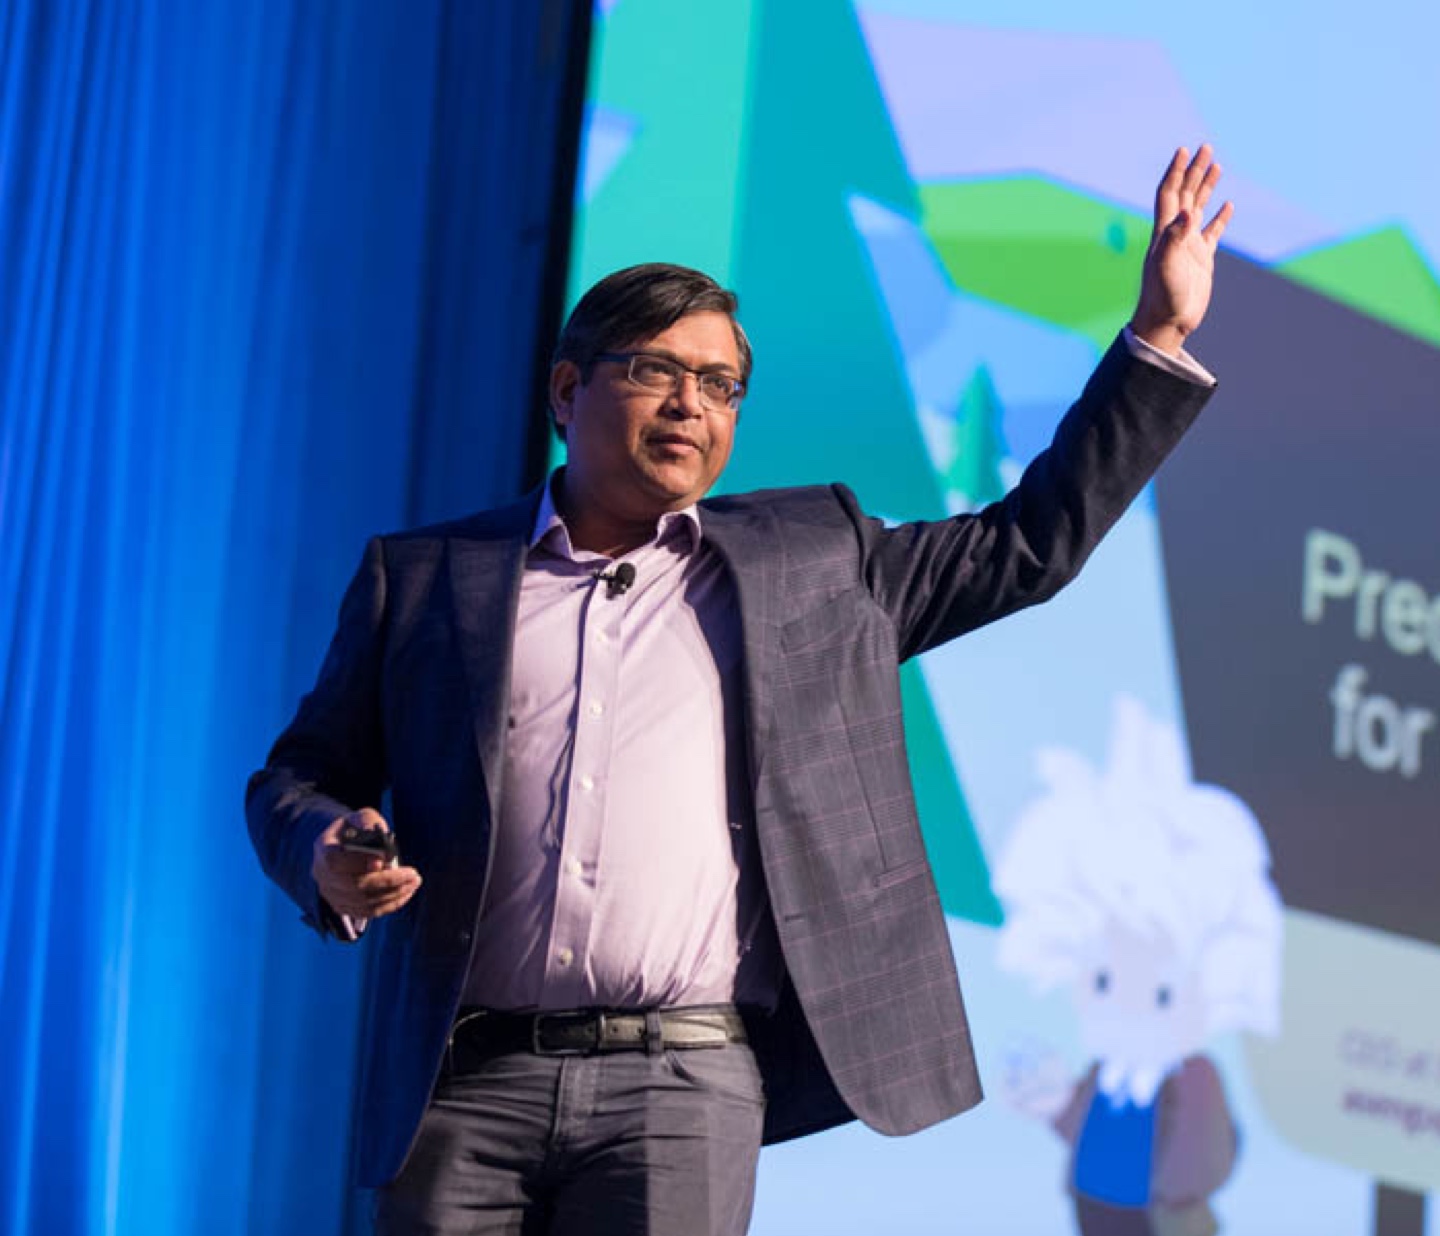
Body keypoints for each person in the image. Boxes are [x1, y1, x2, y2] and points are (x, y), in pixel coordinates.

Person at [247, 146, 1234, 1235]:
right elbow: (298, 775)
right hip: (464, 1082)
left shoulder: (812, 563)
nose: (692, 404)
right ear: (568, 390)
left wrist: (1157, 339)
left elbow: (1027, 544)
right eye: (657, 371)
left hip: (679, 1087)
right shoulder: (431, 577)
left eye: (720, 386)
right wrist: (324, 848)